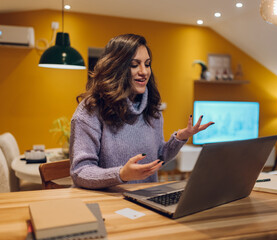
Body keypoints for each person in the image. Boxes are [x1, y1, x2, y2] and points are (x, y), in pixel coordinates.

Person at [69, 34, 214, 189]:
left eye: (147, 64)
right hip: (106, 203)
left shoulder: (152, 108)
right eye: (134, 64)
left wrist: (180, 137)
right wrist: (121, 174)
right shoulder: (90, 110)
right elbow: (80, 171)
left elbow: (158, 158)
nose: (144, 72)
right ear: (115, 68)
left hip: (145, 200)